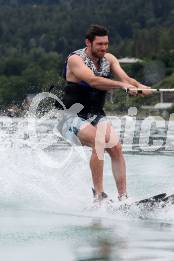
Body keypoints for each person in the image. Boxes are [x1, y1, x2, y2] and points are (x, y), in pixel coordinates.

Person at [58, 24, 152, 203]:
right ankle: (99, 197)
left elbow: (126, 79)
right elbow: (93, 81)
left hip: (95, 114)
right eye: (100, 44)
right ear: (88, 42)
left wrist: (140, 87)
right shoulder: (75, 59)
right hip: (70, 117)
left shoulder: (109, 59)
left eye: (106, 44)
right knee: (99, 142)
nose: (104, 48)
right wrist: (122, 86)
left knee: (116, 147)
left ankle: (123, 198)